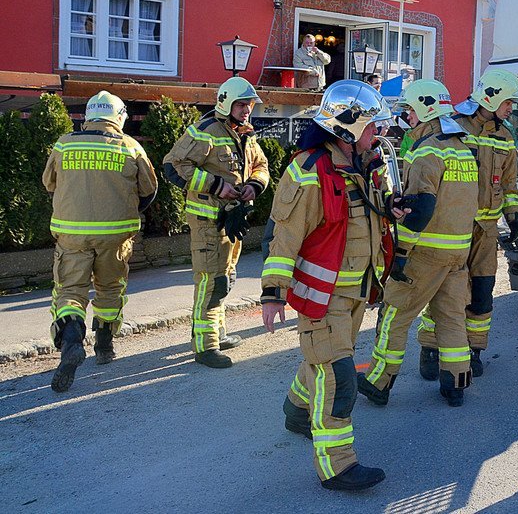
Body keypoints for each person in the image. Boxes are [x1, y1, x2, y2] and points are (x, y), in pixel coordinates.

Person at [261, 80, 401, 492]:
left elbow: (369, 215)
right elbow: (284, 237)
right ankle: (337, 466)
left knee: (322, 360)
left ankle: (296, 410)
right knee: (338, 377)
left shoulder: (361, 165)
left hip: (355, 294)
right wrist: (272, 293)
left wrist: (390, 206)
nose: (379, 133)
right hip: (322, 298)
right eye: (372, 126)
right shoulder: (309, 171)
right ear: (347, 129)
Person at [357, 79, 479, 407]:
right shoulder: (463, 148)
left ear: (425, 109)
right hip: (458, 252)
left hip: (426, 253)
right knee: (450, 316)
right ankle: (456, 383)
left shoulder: (427, 150)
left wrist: (400, 253)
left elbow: (420, 210)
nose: (407, 117)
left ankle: (378, 382)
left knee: (395, 314)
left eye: (409, 110)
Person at [43, 91, 158, 392]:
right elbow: (149, 189)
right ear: (119, 117)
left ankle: (71, 342)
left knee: (70, 290)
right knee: (109, 289)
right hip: (115, 235)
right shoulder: (130, 146)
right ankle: (104, 346)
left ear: (88, 116)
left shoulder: (64, 144)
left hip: (72, 234)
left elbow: (49, 183)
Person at [417, 68, 518, 381]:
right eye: (508, 102)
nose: (511, 108)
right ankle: (430, 348)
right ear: (490, 98)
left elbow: (509, 183)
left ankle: (474, 350)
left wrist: (513, 213)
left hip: (486, 232)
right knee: (445, 290)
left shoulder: (506, 138)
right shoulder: (454, 127)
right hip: (455, 227)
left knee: (481, 292)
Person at [164, 78, 270, 368]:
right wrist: (216, 186)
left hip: (233, 219)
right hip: (208, 221)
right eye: (241, 104)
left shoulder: (245, 133)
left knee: (225, 277)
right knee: (212, 282)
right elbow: (174, 165)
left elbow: (261, 165)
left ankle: (217, 333)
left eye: (249, 105)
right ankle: (205, 346)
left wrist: (254, 185)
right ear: (226, 104)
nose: (247, 110)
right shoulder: (206, 131)